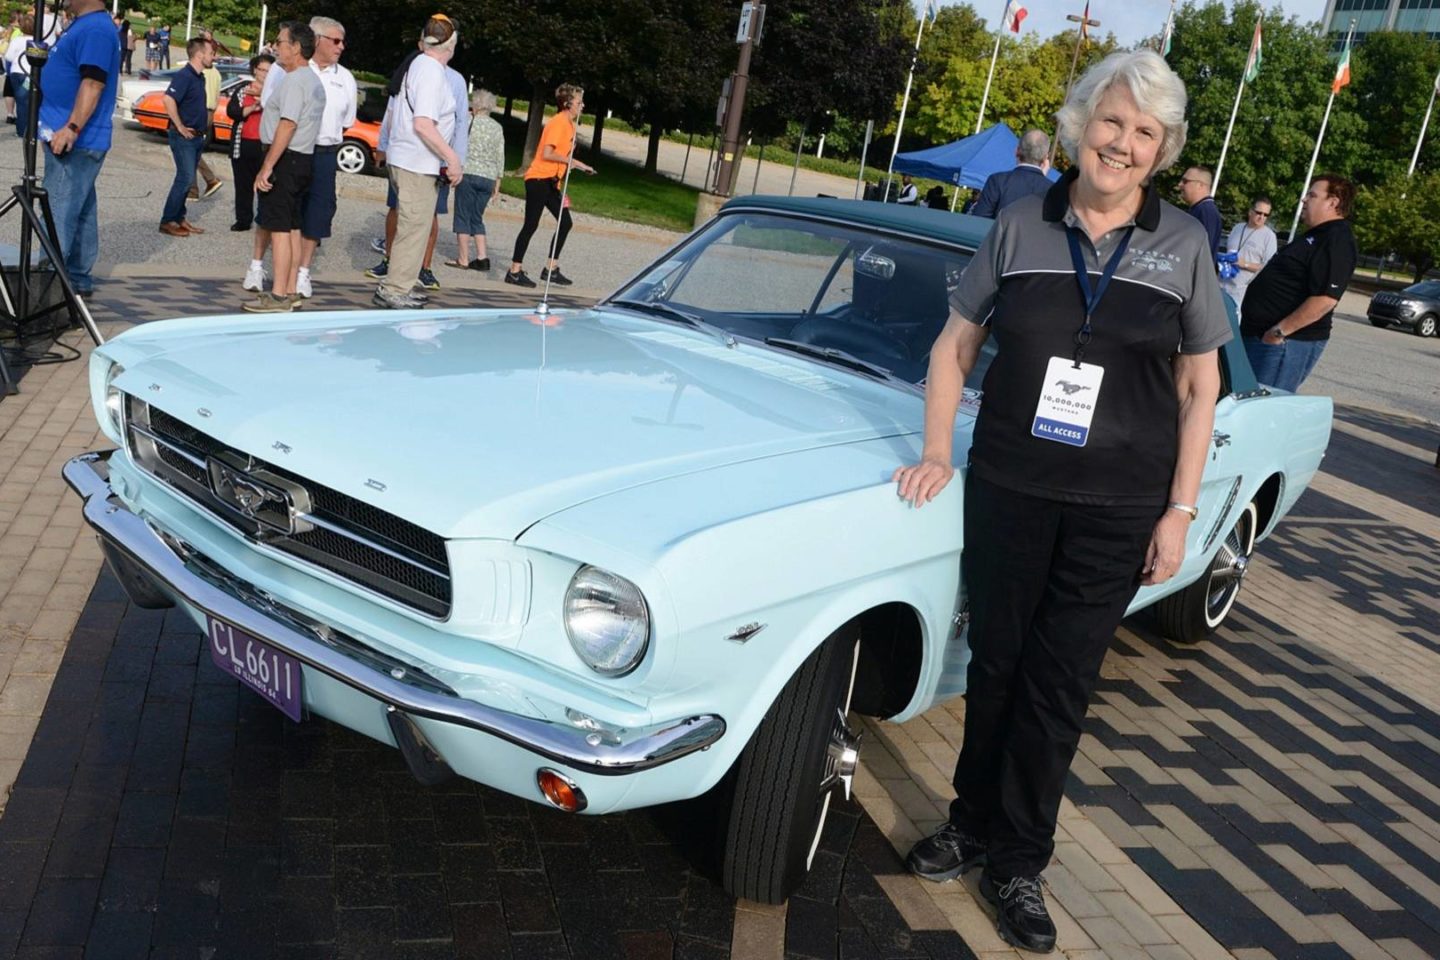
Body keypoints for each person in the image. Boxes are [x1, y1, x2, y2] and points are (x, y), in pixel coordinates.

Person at [894, 50, 1230, 954]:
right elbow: (951, 348)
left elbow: (1203, 391)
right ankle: (968, 822)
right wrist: (936, 452)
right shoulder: (1017, 223)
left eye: (1145, 133)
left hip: (1118, 509)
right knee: (997, 665)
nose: (1123, 144)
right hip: (1010, 487)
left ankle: (1018, 862)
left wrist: (1180, 512)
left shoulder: (1185, 245)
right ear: (1082, 125)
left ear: (1162, 152)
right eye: (1112, 122)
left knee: (1059, 686)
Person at [372, 14, 461, 309]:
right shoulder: (432, 71)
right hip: (416, 162)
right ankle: (394, 288)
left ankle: (402, 283)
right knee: (413, 228)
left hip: (412, 159)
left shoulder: (419, 65)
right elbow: (423, 123)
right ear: (452, 42)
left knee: (416, 226)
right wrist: (452, 158)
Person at [1239, 175, 1357, 393]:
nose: (1304, 200)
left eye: (1312, 195)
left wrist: (1279, 332)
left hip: (1284, 344)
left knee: (1264, 411)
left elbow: (1325, 299)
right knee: (1246, 405)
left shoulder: (1336, 239)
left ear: (1333, 202)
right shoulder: (1315, 236)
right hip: (1261, 338)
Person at [38, 0, 121, 298]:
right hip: (72, 136)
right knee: (82, 207)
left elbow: (93, 83)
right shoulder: (86, 25)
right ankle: (76, 277)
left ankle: (48, 286)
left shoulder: (96, 29)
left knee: (58, 209)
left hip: (75, 138)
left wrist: (72, 127)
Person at [246, 21, 324, 312]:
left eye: (281, 42)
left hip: (287, 158)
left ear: (296, 47)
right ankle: (289, 290)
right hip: (303, 158)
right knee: (292, 226)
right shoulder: (313, 80)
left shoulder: (294, 81)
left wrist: (267, 166)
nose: (276, 46)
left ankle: (278, 295)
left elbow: (287, 124)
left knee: (278, 226)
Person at [504, 82, 594, 288]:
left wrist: (578, 166)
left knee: (566, 222)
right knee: (531, 224)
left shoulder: (570, 124)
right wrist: (572, 162)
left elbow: (564, 156)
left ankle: (550, 269)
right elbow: (547, 153)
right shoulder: (558, 123)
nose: (583, 106)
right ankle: (514, 271)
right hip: (538, 180)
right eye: (579, 102)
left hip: (551, 183)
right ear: (567, 103)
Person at [293, 15, 357, 300]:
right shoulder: (295, 70)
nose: (341, 46)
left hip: (325, 153)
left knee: (317, 215)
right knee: (289, 211)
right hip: (295, 150)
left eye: (343, 41)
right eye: (336, 40)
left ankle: (303, 272)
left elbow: (346, 122)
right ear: (316, 40)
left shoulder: (346, 79)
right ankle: (285, 268)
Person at [158, 38, 212, 237]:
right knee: (185, 178)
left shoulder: (200, 77)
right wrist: (179, 125)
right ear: (199, 55)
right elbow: (168, 98)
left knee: (187, 179)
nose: (212, 56)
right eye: (210, 53)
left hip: (197, 137)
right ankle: (168, 220)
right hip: (183, 138)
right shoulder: (185, 76)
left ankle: (179, 218)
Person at [449, 88, 503, 270]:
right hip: (488, 177)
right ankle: (482, 257)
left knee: (463, 215)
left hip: (469, 173)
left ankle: (463, 258)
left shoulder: (468, 122)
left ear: (476, 104)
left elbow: (456, 143)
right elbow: (500, 155)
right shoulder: (497, 127)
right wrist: (498, 181)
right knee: (477, 218)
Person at [227, 53, 272, 231]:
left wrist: (264, 99)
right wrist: (253, 107)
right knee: (242, 184)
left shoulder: (276, 92)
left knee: (266, 185)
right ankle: (243, 219)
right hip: (243, 143)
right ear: (254, 70)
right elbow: (233, 112)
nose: (265, 74)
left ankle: (265, 219)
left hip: (266, 145)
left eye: (269, 71)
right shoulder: (243, 89)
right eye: (262, 70)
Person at [972, 129, 1052, 218]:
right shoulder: (1051, 189)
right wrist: (1041, 177)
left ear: (1017, 151)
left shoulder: (997, 181)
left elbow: (980, 219)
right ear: (1045, 157)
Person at [1221, 195, 1277, 307]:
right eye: (1258, 213)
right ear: (1250, 212)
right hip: (1221, 282)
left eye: (1266, 215)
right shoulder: (1238, 227)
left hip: (1241, 291)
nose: (1262, 217)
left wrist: (1245, 264)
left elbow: (1269, 267)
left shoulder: (1269, 236)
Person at [1177, 165, 1222, 258]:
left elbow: (1203, 252)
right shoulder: (1198, 209)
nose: (1180, 184)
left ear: (1200, 185)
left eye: (1185, 181)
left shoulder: (1207, 212)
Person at [5, 14, 33, 138]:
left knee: (21, 102)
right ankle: (33, 129)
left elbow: (8, 56)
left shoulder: (17, 41)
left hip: (18, 72)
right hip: (32, 73)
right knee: (33, 101)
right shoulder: (38, 41)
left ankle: (22, 130)